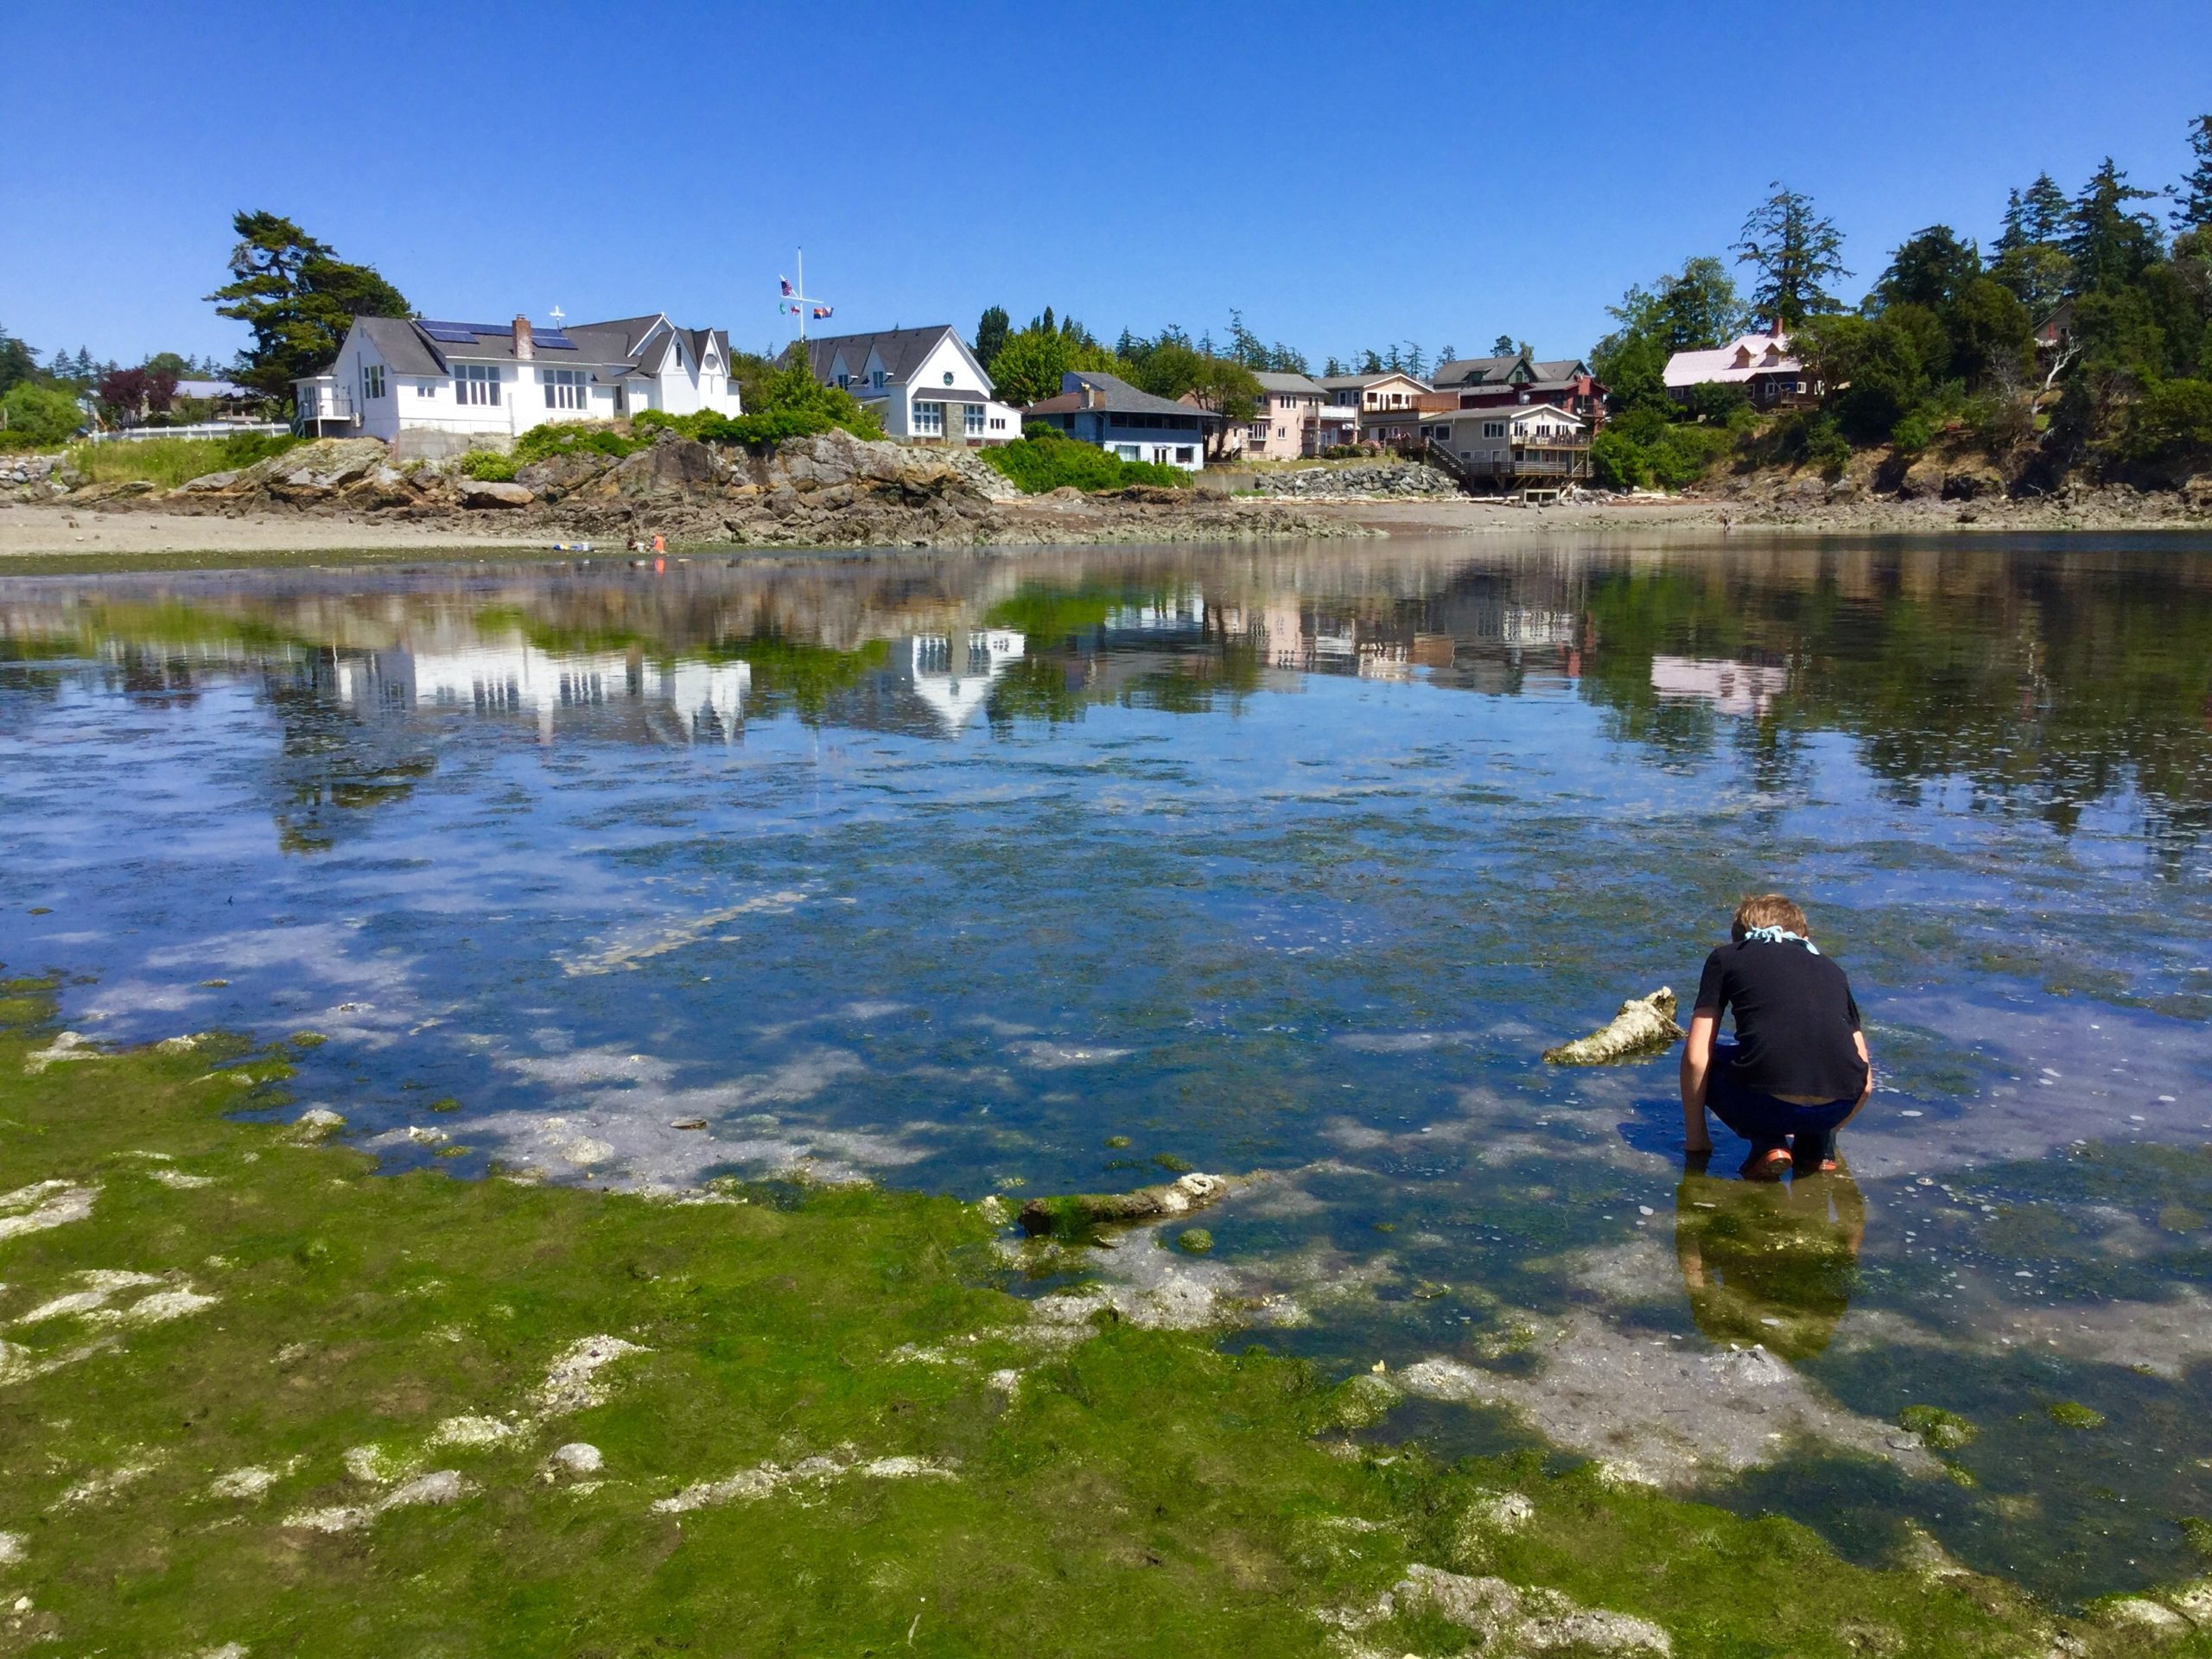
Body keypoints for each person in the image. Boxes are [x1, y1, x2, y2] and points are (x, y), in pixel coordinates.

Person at [1681, 894, 1872, 1179]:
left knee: (1715, 1060)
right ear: (1805, 937)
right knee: (1820, 1069)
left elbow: (1696, 1058)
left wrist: (1698, 1144)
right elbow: (1865, 1082)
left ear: (1740, 938)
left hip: (1766, 1106)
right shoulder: (1834, 970)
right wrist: (1826, 1124)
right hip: (1838, 1105)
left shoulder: (1726, 958)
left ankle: (1768, 1143)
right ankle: (1817, 1146)